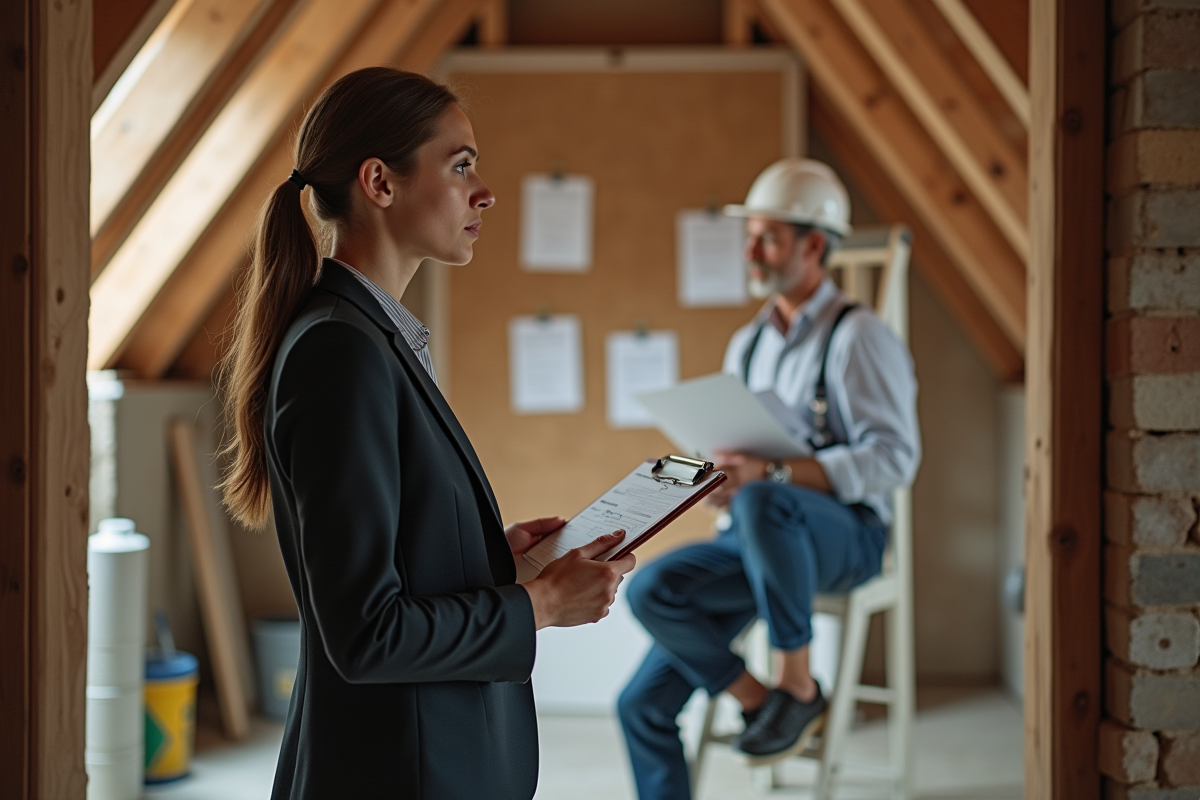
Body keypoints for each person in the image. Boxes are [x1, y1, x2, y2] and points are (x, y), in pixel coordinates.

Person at [218, 67, 635, 800]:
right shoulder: (340, 351)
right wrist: (540, 607)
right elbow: (367, 633)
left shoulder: (371, 339)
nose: (486, 192)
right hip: (397, 772)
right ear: (380, 183)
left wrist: (496, 562)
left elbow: (389, 561)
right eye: (462, 165)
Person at [617, 158, 920, 799]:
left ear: (814, 245)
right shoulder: (748, 344)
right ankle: (763, 702)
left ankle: (797, 681)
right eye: (749, 235)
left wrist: (769, 477)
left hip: (846, 540)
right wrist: (721, 482)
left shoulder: (858, 337)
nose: (750, 250)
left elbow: (896, 459)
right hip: (758, 539)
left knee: (762, 500)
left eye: (769, 237)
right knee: (647, 612)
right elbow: (746, 464)